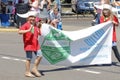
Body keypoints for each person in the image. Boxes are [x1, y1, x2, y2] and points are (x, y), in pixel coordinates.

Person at [18, 10, 42, 77]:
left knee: (40, 56)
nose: (32, 18)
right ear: (28, 18)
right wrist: (28, 30)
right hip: (29, 44)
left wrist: (40, 26)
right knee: (29, 58)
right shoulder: (26, 25)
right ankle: (27, 72)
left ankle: (34, 69)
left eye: (34, 17)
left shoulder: (35, 26)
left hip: (36, 45)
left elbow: (39, 33)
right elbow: (19, 32)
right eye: (31, 17)